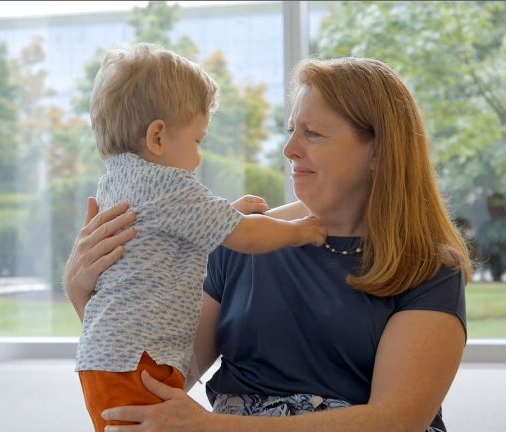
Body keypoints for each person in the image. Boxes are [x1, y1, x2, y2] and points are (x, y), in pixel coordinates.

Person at [64, 56, 472, 432]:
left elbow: (397, 422)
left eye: (312, 133)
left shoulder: (428, 269)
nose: (289, 149)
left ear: (380, 151)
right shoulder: (240, 244)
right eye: (290, 130)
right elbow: (164, 370)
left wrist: (216, 428)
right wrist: (81, 293)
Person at [76, 43, 327, 432]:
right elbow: (245, 236)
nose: (198, 157)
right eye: (197, 141)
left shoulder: (119, 178)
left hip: (103, 355)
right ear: (157, 136)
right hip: (140, 359)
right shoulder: (170, 185)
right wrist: (298, 230)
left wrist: (227, 212)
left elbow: (179, 224)